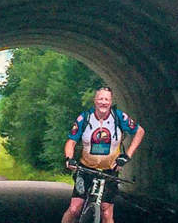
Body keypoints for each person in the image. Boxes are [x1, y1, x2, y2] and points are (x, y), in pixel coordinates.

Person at [61, 87, 143, 223]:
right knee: (75, 208)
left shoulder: (119, 117)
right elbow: (71, 141)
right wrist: (69, 159)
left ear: (111, 102)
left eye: (106, 99)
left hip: (109, 171)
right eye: (100, 99)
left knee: (106, 211)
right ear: (95, 101)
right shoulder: (85, 118)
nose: (103, 102)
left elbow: (140, 131)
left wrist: (127, 155)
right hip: (86, 169)